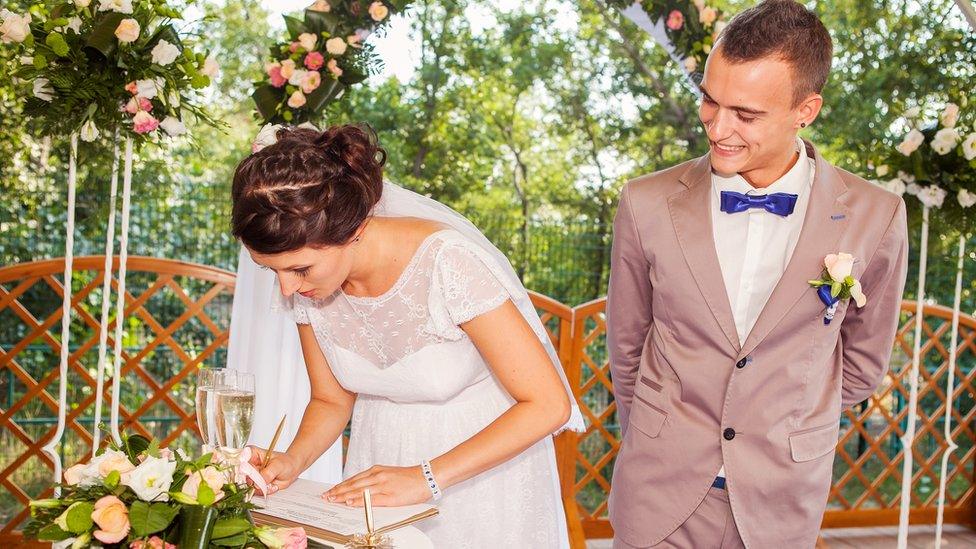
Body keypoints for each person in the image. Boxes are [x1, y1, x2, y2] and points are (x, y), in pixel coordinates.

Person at [606, 1, 909, 547]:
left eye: (745, 115)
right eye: (709, 99)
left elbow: (863, 364)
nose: (718, 127)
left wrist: (783, 418)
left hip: (781, 498)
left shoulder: (876, 214)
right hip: (658, 494)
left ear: (805, 109)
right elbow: (626, 346)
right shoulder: (644, 203)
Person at [230, 123, 584, 548]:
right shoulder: (309, 287)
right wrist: (293, 459)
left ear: (353, 229)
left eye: (299, 269)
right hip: (379, 463)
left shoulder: (448, 262)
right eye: (273, 271)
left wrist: (427, 477)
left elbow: (548, 404)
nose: (287, 289)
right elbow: (331, 399)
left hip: (483, 470)